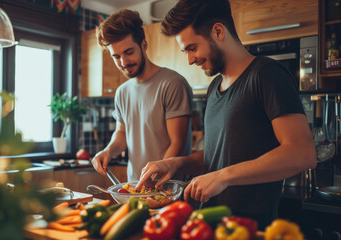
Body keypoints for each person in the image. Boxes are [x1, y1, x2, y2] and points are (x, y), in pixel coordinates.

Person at [137, 0, 317, 229]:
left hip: (248, 229)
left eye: (192, 48)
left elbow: (303, 152)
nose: (190, 59)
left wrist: (223, 176)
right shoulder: (214, 88)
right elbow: (220, 154)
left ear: (218, 31)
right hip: (208, 226)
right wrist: (175, 164)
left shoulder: (268, 75)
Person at [91, 9, 193, 182]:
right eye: (116, 56)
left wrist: (153, 180)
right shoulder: (122, 92)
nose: (124, 62)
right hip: (136, 187)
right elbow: (122, 134)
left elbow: (178, 143)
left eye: (129, 52)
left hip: (170, 188)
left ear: (144, 45)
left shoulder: (172, 83)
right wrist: (107, 151)